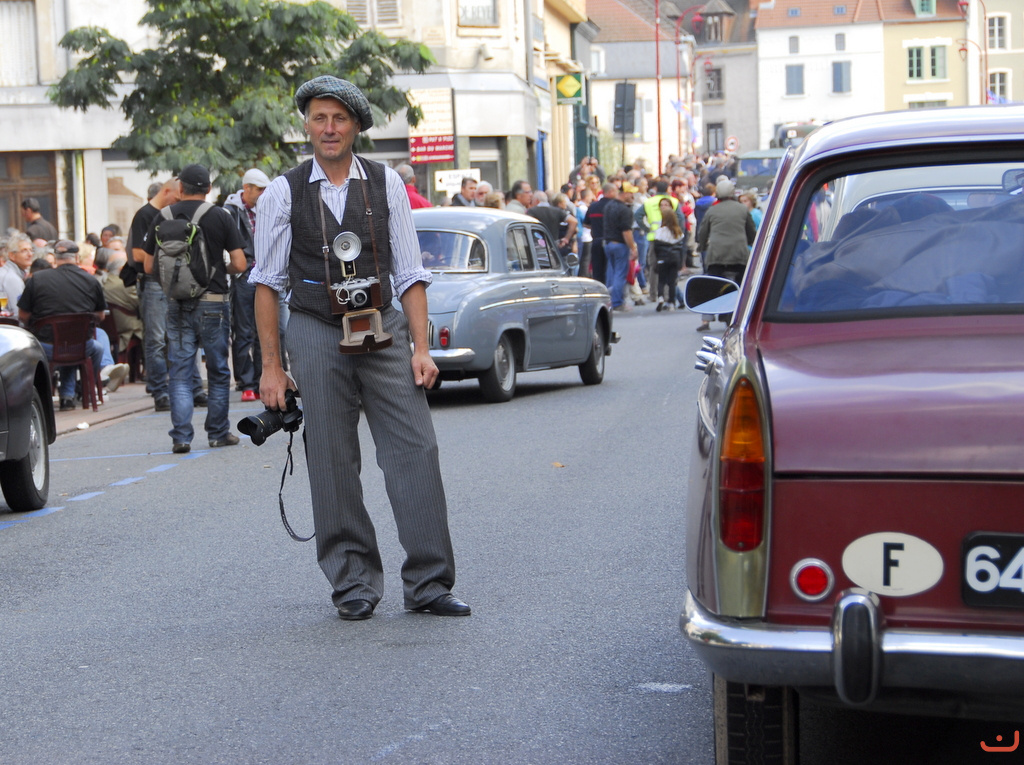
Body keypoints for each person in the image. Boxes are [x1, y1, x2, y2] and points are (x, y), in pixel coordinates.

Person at [250, 75, 469, 621]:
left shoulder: (386, 182)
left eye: (339, 119)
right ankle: (352, 582)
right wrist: (272, 368)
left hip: (382, 324)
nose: (329, 128)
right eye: (319, 118)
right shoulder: (282, 191)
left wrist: (422, 348)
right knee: (330, 458)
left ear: (355, 127)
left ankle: (429, 583)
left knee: (415, 449)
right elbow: (267, 285)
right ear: (307, 125)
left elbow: (410, 272)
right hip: (314, 328)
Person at [142, 163, 247, 453]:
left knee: (180, 371)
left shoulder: (163, 216)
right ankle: (218, 433)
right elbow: (240, 263)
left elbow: (149, 266)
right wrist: (218, 269)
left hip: (177, 304)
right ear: (209, 188)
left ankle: (181, 437)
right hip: (213, 302)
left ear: (180, 188)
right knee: (217, 370)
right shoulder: (220, 216)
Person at [17, 240, 107, 411]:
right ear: (76, 257)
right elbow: (101, 316)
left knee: (63, 343)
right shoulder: (91, 280)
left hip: (46, 346)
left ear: (55, 258)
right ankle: (78, 392)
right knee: (95, 348)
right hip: (81, 346)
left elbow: (23, 315)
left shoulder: (38, 279)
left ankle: (61, 395)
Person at [128, 178, 179, 412]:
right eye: (177, 197)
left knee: (173, 337)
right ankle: (160, 390)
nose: (178, 202)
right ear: (166, 191)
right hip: (153, 281)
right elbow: (138, 254)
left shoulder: (171, 213)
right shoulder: (145, 215)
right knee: (157, 338)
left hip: (171, 281)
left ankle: (177, 387)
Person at [225, 168, 271, 402]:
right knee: (244, 330)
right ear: (247, 188)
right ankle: (246, 383)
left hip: (266, 275)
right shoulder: (231, 210)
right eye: (259, 189)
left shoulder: (267, 207)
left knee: (269, 330)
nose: (263, 194)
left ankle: (264, 378)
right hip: (244, 276)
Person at [696, 178, 756, 331]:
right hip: (739, 254)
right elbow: (751, 231)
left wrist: (701, 246)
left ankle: (706, 319)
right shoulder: (742, 209)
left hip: (717, 255)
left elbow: (703, 232)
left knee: (711, 285)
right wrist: (751, 242)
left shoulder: (712, 210)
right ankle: (744, 313)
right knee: (744, 285)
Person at [601, 184, 637, 310]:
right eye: (631, 193)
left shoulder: (608, 206)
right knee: (620, 274)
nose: (632, 196)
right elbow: (626, 232)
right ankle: (617, 302)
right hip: (619, 245)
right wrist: (633, 247)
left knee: (612, 273)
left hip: (608, 243)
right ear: (625, 193)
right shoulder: (625, 210)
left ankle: (609, 300)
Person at [652, 197, 685, 312]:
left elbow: (656, 247)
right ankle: (672, 302)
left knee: (661, 280)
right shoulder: (678, 232)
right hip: (674, 258)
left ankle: (661, 297)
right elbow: (681, 248)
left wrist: (657, 259)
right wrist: (681, 262)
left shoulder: (660, 232)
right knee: (672, 281)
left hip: (662, 258)